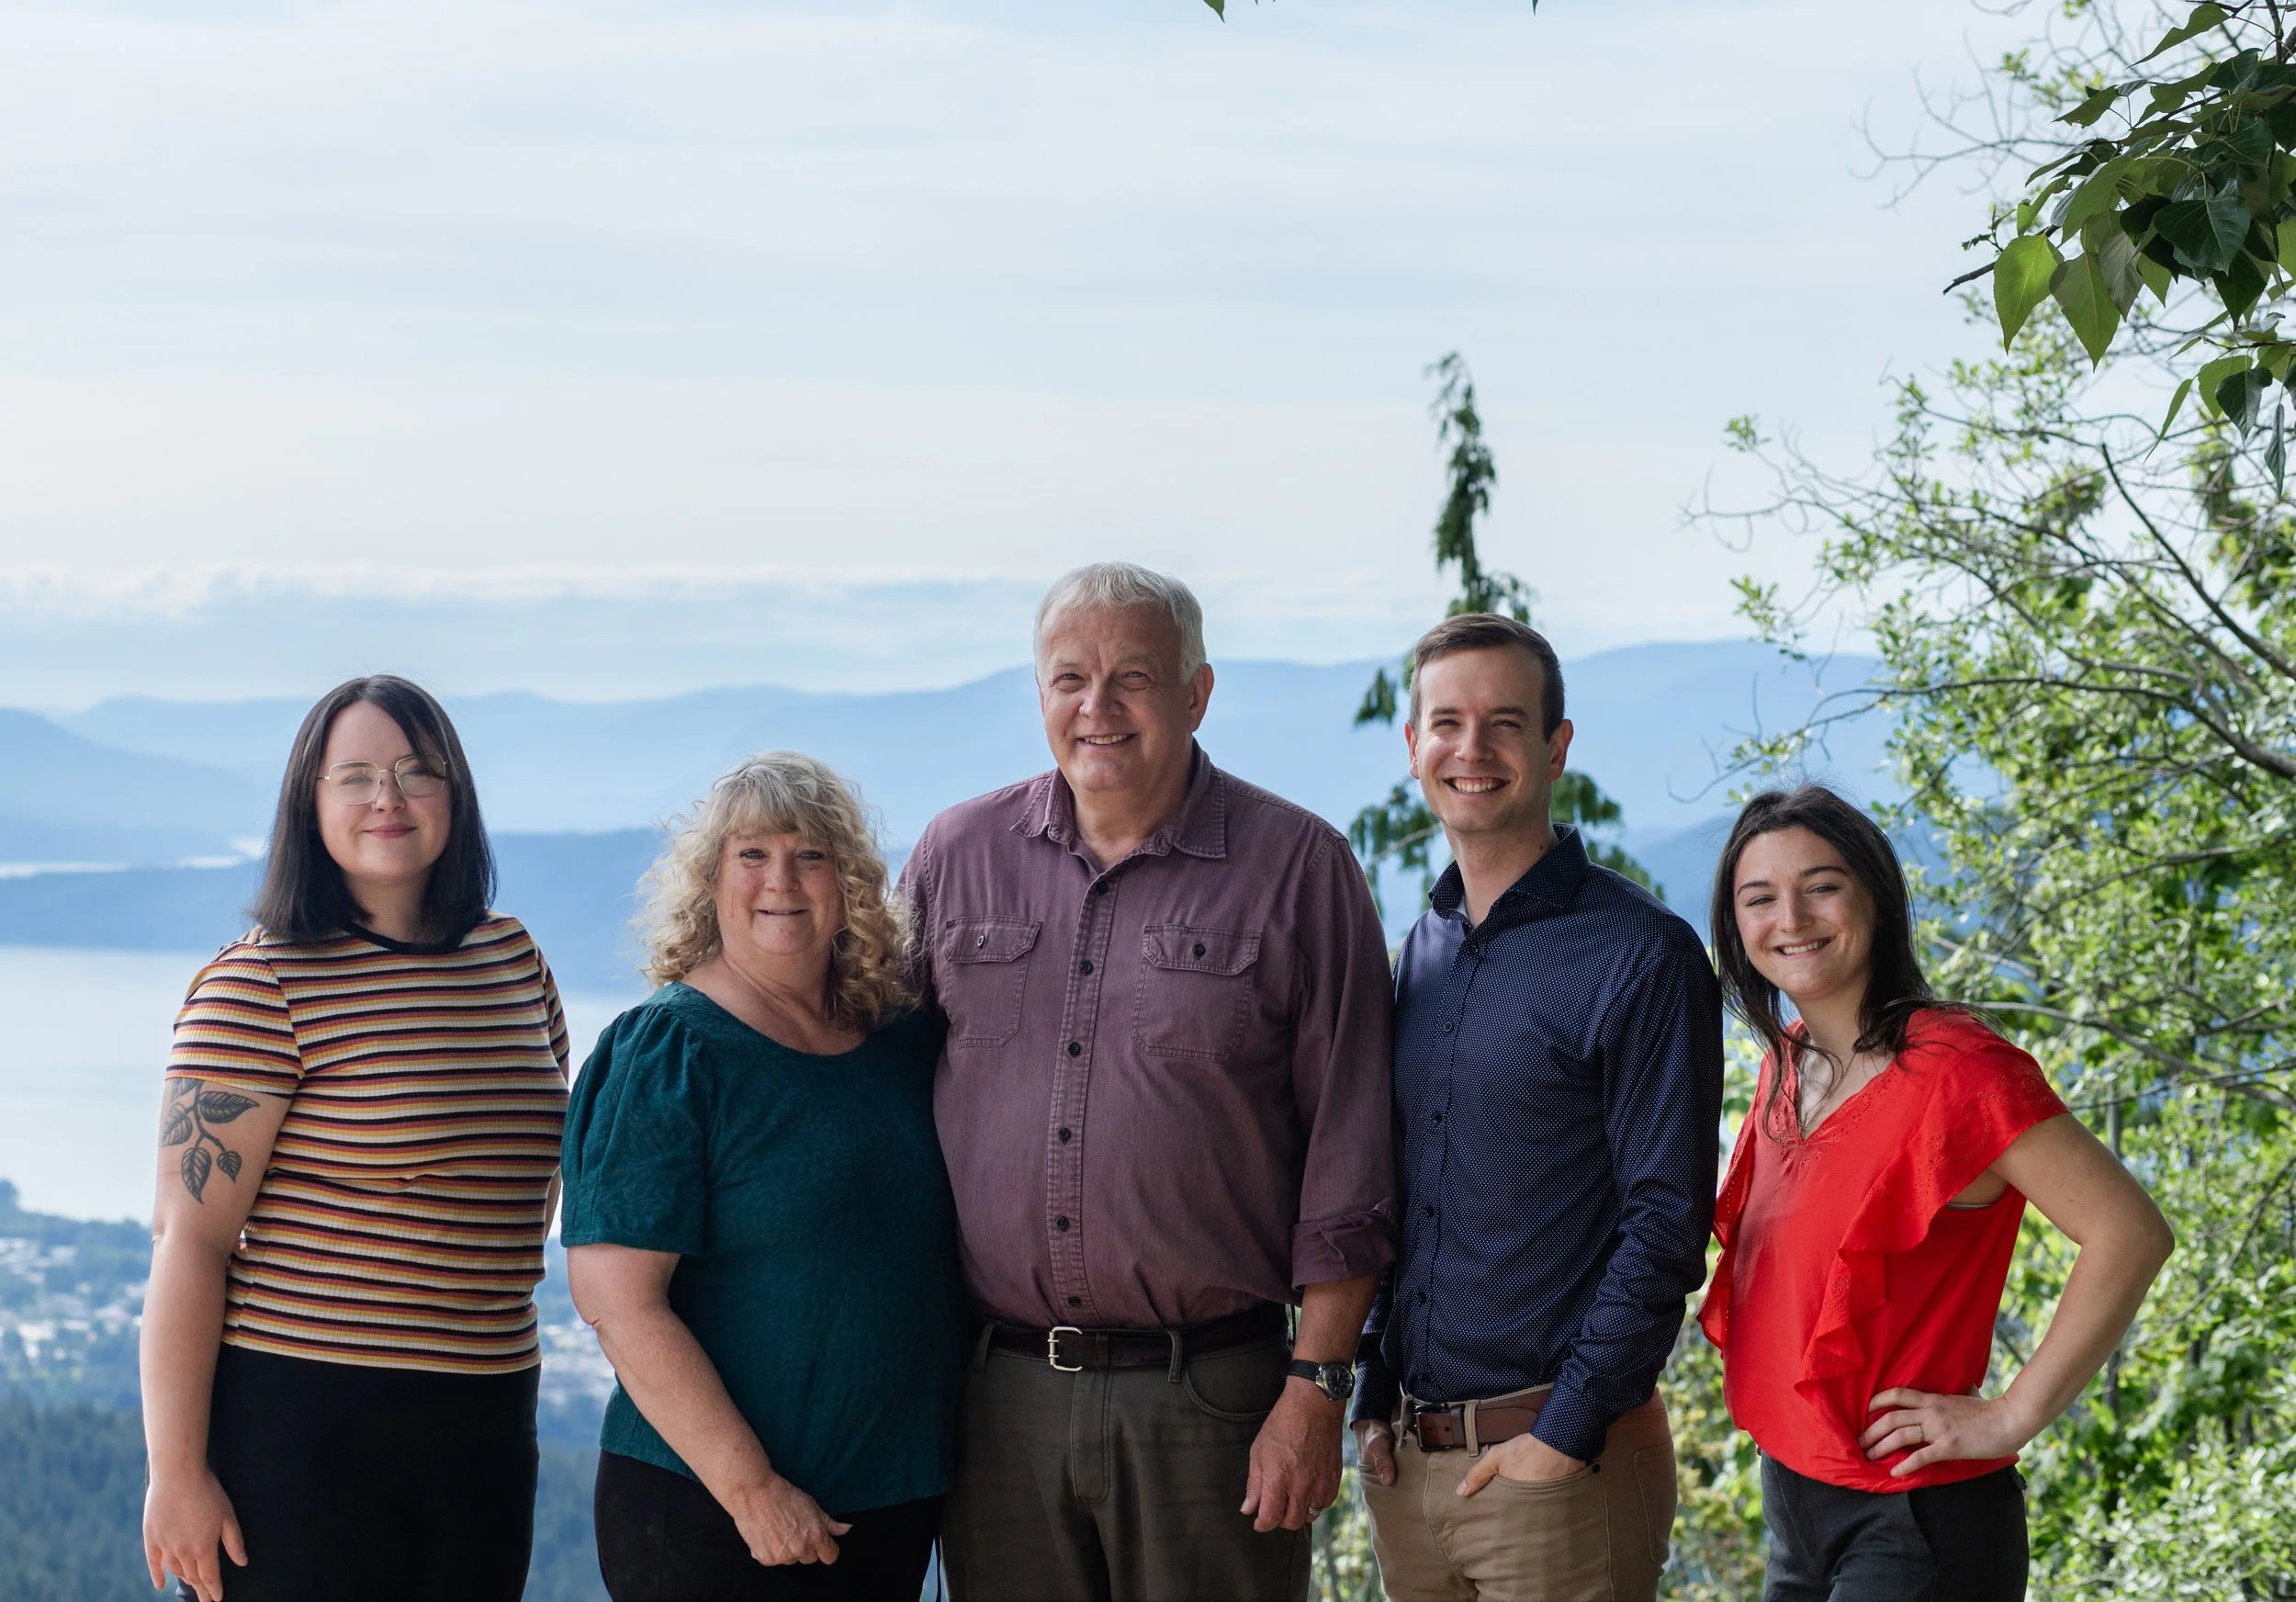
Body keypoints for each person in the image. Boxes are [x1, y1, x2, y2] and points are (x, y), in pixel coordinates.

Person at [902, 561, 1397, 1601]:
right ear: (1038, 692)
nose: (1098, 707)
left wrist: (1314, 1387)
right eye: (1069, 677)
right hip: (997, 1397)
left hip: (1212, 1398)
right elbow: (871, 1084)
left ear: (1196, 692)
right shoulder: (956, 855)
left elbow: (1352, 1151)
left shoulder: (1299, 868)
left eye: (1132, 677)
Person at [140, 675, 571, 1602]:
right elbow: (188, 1240)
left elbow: (531, 1173)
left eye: (419, 772)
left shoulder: (512, 958)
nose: (389, 798)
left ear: (456, 795)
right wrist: (175, 1472)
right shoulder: (257, 985)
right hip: (303, 1426)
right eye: (357, 775)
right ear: (310, 800)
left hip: (490, 1419)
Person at [1698, 784, 2176, 1601]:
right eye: (1760, 898)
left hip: (1918, 1522)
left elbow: (2131, 1232)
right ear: (1737, 929)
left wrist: (2010, 1415)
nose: (1792, 918)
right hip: (1797, 1507)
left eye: (1822, 886)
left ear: (1876, 901)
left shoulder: (1960, 1071)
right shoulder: (1788, 1062)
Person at [1351, 613, 1725, 1602]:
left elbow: (1666, 1223)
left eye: (1503, 723)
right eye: (1446, 723)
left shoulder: (1641, 954)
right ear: (1413, 747)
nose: (1470, 749)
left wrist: (1560, 1437)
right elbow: (1402, 1192)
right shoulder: (1421, 950)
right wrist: (1368, 1395)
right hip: (1408, 1467)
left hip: (1560, 1466)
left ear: (1556, 746)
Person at [561, 751, 964, 1602]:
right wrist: (752, 1491)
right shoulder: (671, 1053)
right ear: (711, 882)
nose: (781, 879)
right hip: (717, 1516)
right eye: (752, 854)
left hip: (887, 1506)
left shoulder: (898, 1043)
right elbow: (616, 1300)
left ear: (848, 883)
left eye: (810, 855)